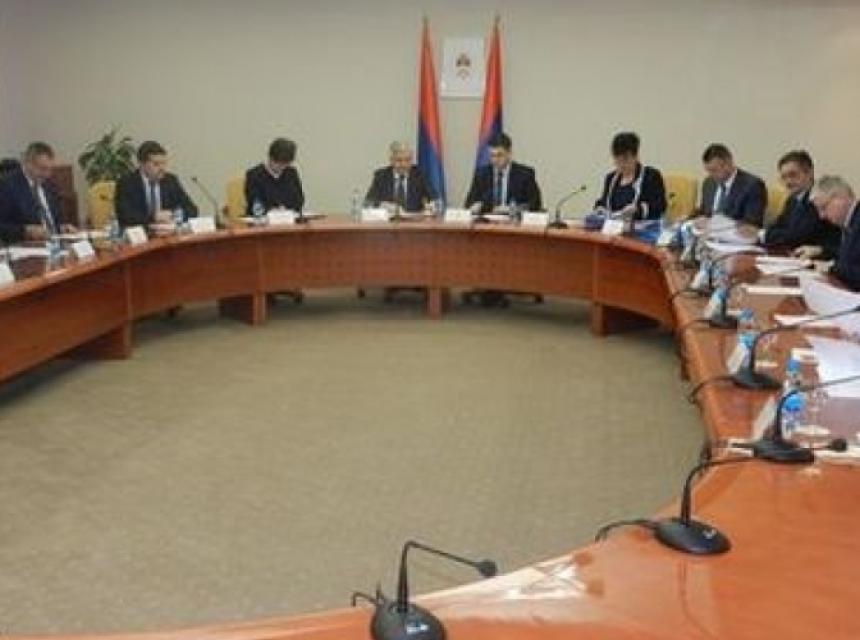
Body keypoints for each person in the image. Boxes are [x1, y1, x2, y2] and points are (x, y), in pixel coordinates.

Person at [763, 150, 841, 259]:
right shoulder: (792, 200)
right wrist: (767, 234)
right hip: (799, 257)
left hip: (825, 259)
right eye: (784, 177)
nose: (788, 182)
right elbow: (777, 225)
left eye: (793, 175)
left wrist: (763, 235)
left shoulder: (819, 197)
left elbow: (796, 237)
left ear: (809, 173)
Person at [0, 142, 76, 243]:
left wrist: (62, 227)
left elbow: (56, 220)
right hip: (26, 245)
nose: (47, 174)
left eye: (50, 169)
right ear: (27, 164)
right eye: (42, 169)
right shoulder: (7, 186)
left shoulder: (50, 186)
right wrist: (25, 231)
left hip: (55, 243)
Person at [115, 141, 198, 228]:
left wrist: (173, 215)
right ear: (142, 164)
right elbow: (126, 216)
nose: (162, 168)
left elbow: (192, 210)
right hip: (141, 233)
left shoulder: (170, 180)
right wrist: (154, 217)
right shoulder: (127, 183)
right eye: (156, 164)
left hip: (167, 231)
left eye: (164, 163)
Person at [594, 132, 666, 220]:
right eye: (617, 160)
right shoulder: (610, 179)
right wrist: (599, 209)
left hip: (641, 226)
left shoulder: (651, 176)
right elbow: (603, 203)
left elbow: (660, 206)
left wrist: (638, 210)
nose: (621, 164)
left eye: (626, 159)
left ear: (636, 156)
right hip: (614, 225)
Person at [465, 132, 542, 214]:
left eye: (499, 155)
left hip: (514, 220)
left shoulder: (525, 175)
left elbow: (535, 205)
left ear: (509, 153)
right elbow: (469, 203)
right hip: (487, 220)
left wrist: (513, 209)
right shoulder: (481, 174)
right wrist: (476, 206)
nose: (495, 160)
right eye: (492, 155)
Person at [810, 175, 860, 291]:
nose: (821, 216)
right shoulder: (851, 221)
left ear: (841, 198)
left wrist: (832, 268)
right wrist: (823, 252)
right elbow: (850, 255)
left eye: (823, 207)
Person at [699, 144, 767, 227]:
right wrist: (691, 220)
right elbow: (703, 212)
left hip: (734, 233)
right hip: (708, 232)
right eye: (708, 171)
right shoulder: (709, 183)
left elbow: (752, 222)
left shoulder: (753, 186)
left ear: (728, 163)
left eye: (714, 170)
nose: (711, 175)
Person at [365, 141, 436, 213]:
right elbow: (369, 202)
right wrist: (383, 205)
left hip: (414, 219)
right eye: (399, 160)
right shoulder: (381, 176)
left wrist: (430, 206)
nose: (403, 164)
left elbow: (434, 199)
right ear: (391, 160)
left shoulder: (420, 175)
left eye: (407, 160)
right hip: (388, 218)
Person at [245, 138, 305, 215]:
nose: (281, 167)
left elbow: (299, 200)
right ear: (270, 157)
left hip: (288, 217)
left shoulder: (291, 173)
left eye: (285, 164)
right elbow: (255, 203)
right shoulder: (254, 175)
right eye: (278, 163)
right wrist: (274, 210)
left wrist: (285, 209)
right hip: (262, 218)